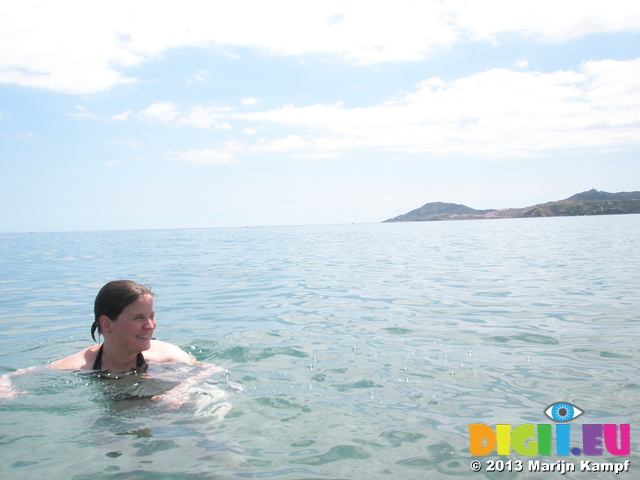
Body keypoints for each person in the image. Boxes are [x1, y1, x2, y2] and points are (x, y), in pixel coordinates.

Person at [1, 280, 224, 406]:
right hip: (118, 409)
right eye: (139, 318)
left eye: (151, 316)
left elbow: (211, 370)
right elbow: (16, 375)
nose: (150, 326)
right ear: (107, 325)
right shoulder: (82, 365)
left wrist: (180, 390)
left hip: (162, 404)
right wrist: (6, 385)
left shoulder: (165, 354)